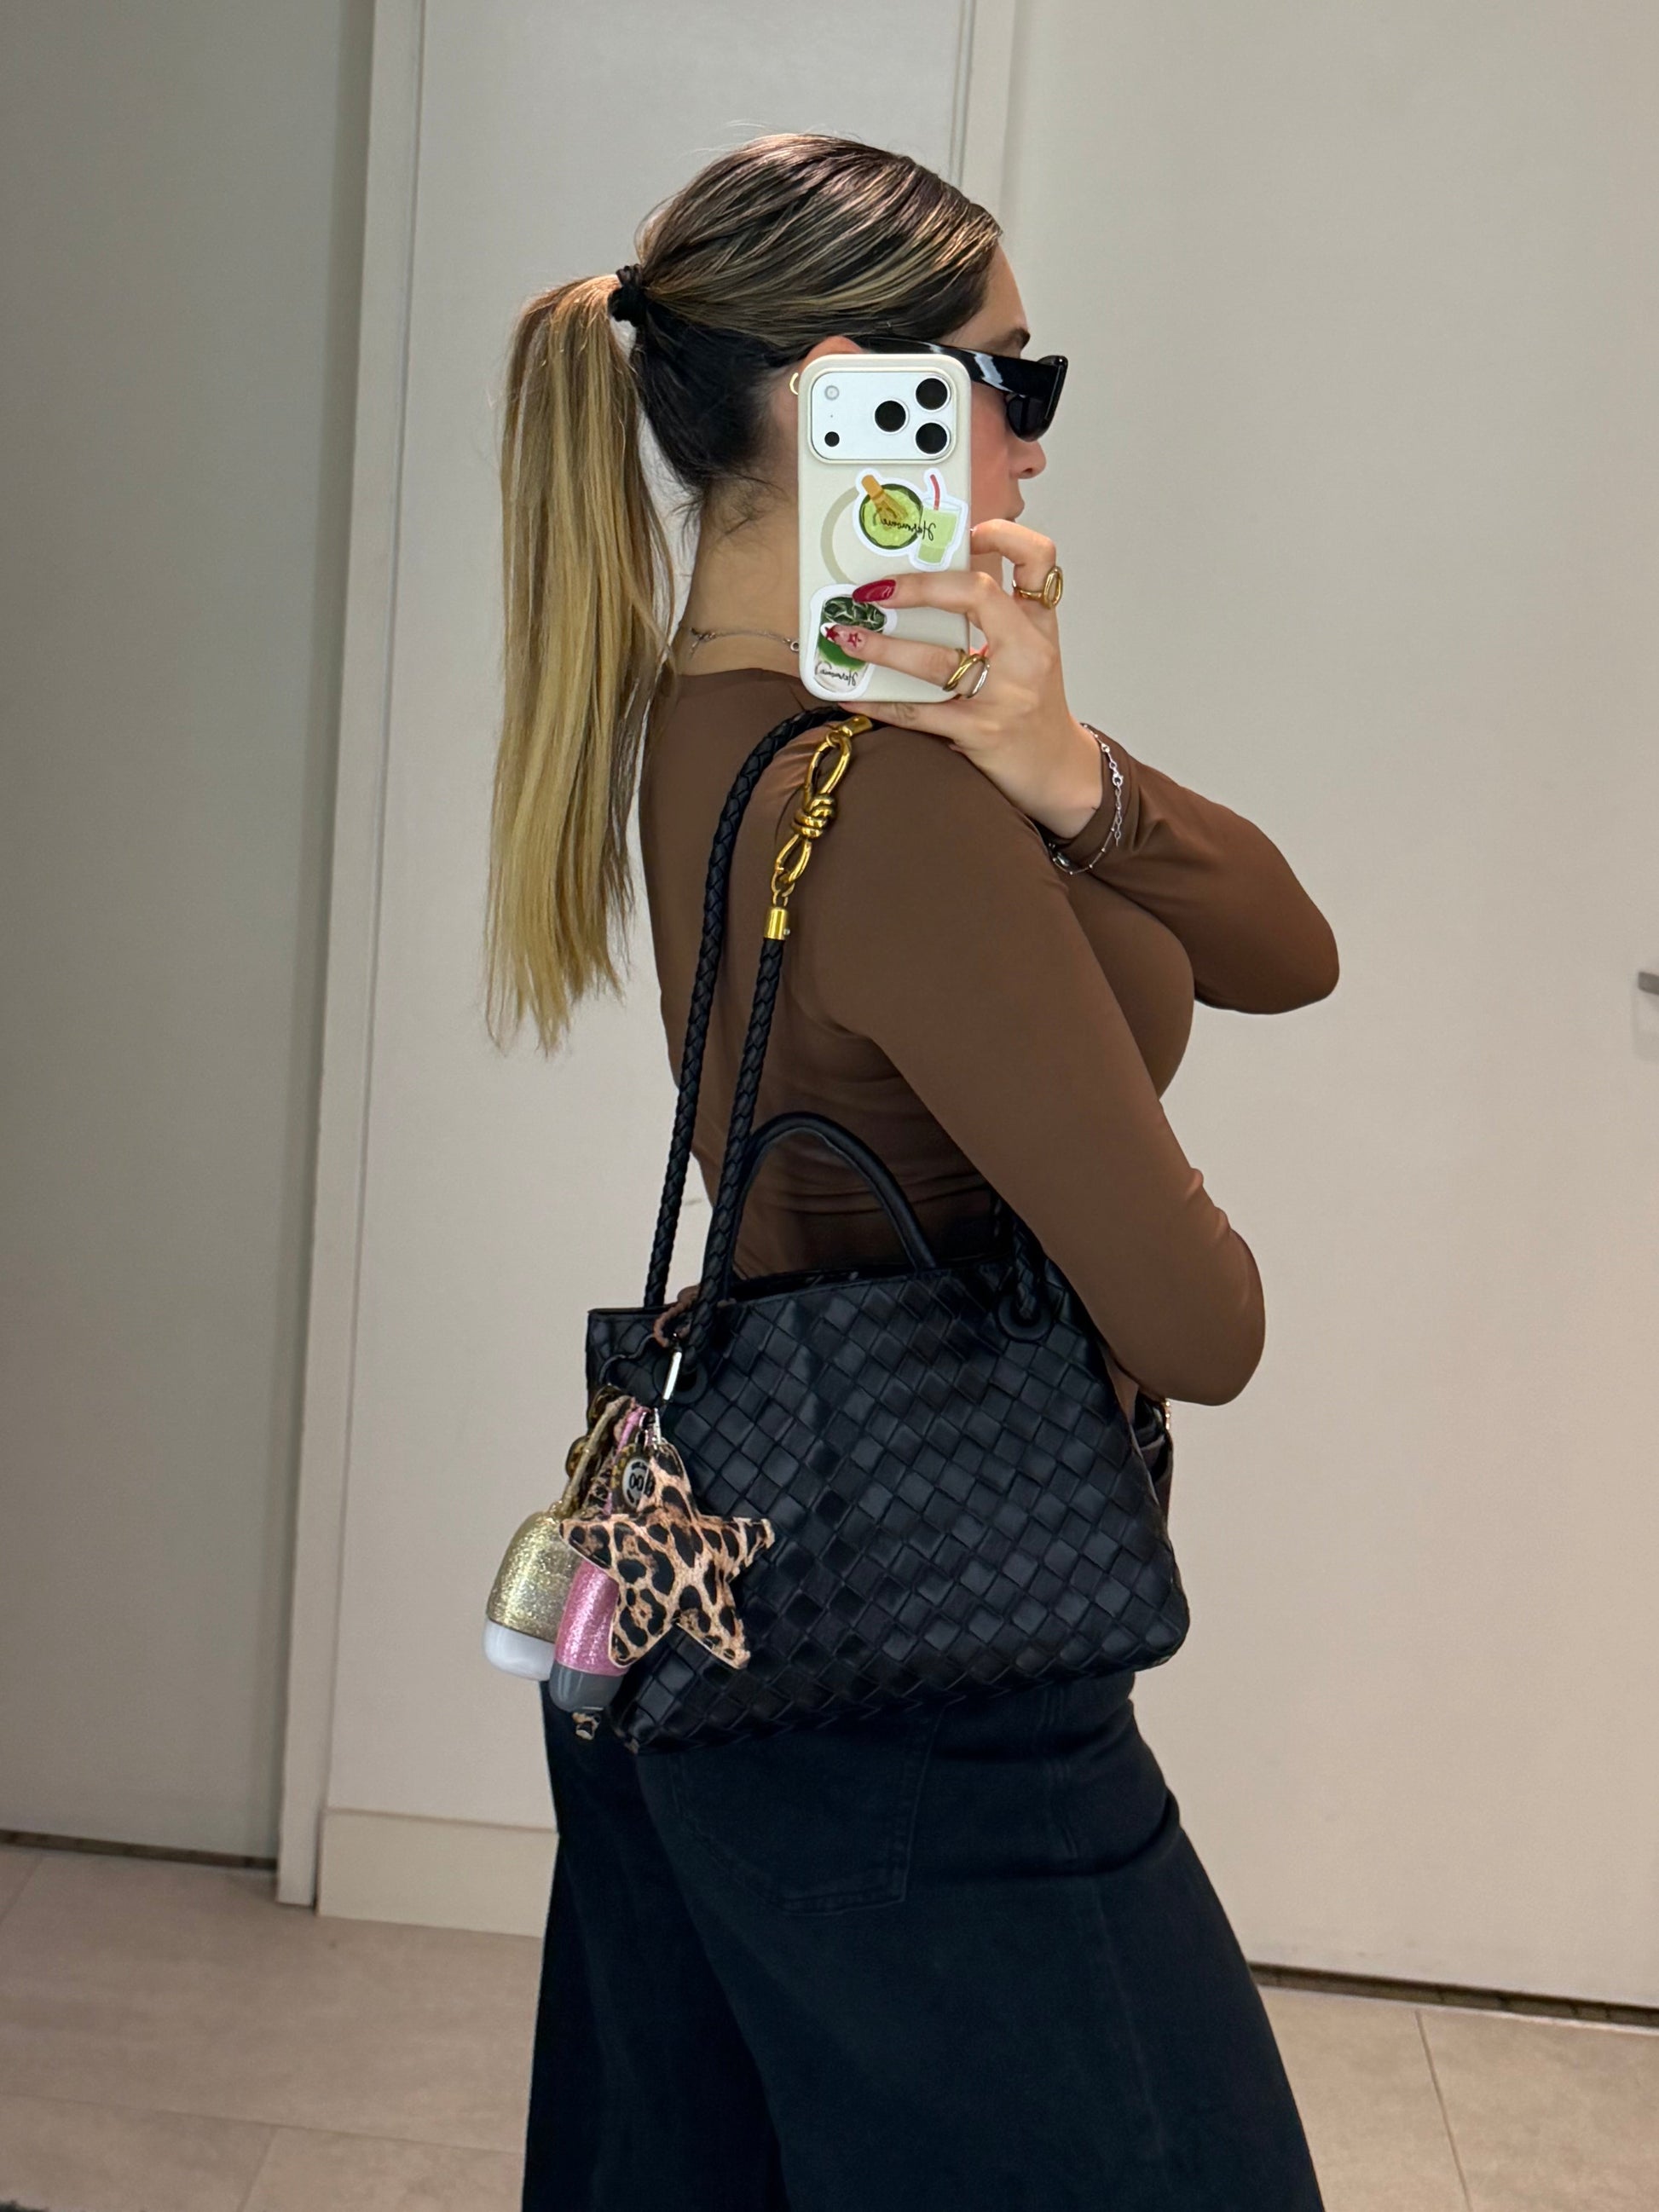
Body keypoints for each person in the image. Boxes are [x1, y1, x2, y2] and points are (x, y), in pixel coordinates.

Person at [487, 132, 1338, 2212]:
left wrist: (1062, 762)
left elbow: (1285, 949)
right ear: (846, 395)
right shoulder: (877, 798)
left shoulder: (718, 721)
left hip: (758, 1621)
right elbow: (1203, 1326)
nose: (1033, 445)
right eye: (1009, 380)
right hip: (926, 1697)